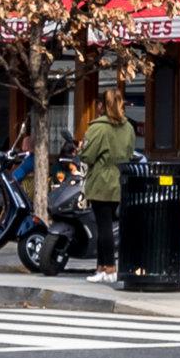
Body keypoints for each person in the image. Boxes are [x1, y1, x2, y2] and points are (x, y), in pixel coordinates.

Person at [78, 88, 137, 285]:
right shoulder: (128, 127)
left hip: (102, 180)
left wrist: (81, 149)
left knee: (103, 227)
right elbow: (130, 152)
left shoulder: (98, 128)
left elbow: (87, 156)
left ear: (103, 105)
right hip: (120, 179)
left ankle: (109, 267)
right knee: (108, 225)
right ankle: (101, 268)